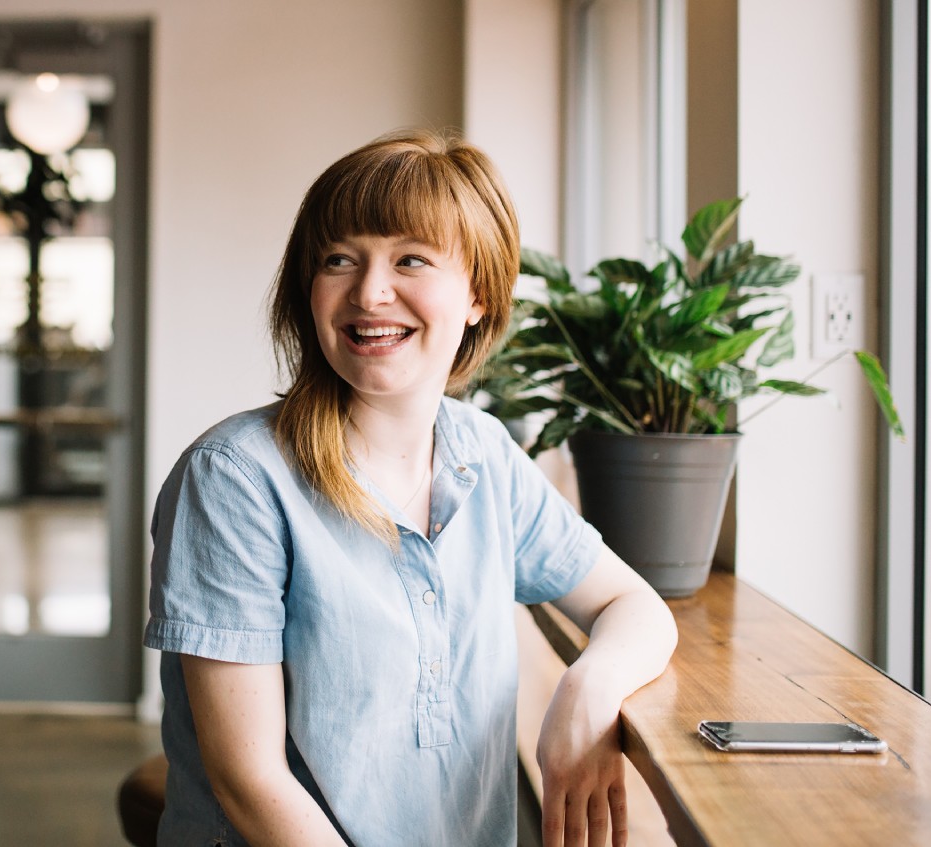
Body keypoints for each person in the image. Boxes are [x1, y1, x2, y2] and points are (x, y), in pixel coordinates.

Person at [143, 129, 678, 847]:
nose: (369, 292)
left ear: (479, 295)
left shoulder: (483, 453)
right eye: (339, 259)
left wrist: (589, 688)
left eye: (410, 259)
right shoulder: (234, 477)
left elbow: (633, 604)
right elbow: (251, 783)